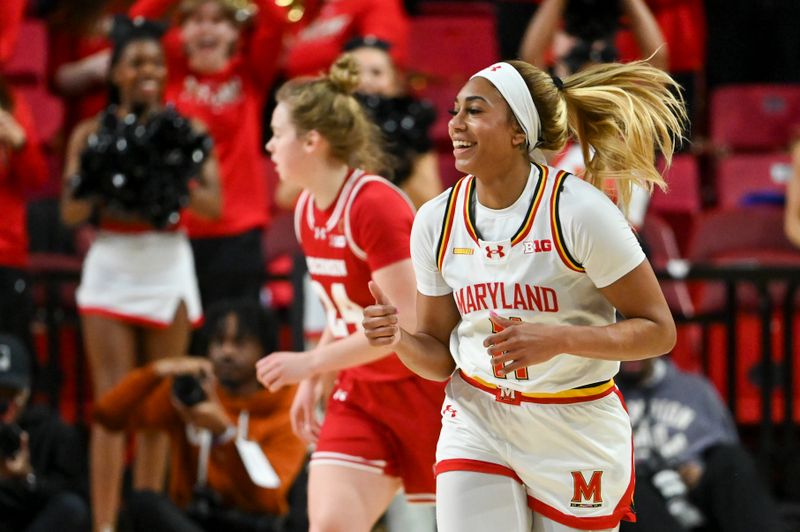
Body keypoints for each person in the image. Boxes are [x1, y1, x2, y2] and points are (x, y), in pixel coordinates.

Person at [363, 58, 685, 532]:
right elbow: (438, 357)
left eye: (474, 111)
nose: (454, 124)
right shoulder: (436, 220)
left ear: (518, 131)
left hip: (573, 422)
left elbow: (659, 332)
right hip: (477, 417)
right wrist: (399, 339)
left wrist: (559, 340)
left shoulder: (579, 211)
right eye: (455, 111)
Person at [256, 54, 444, 532]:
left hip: (422, 389)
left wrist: (311, 364)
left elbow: (407, 325)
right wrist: (318, 376)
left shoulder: (375, 205)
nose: (269, 145)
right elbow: (348, 314)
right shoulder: (306, 211)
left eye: (278, 133)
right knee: (332, 525)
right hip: (360, 392)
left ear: (312, 141)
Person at [60, 18, 221, 532]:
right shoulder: (89, 134)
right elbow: (68, 212)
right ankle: (104, 526)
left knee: (158, 405)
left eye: (155, 61)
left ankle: (151, 520)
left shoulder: (190, 131)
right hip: (112, 262)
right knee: (112, 407)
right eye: (136, 62)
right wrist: (108, 174)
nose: (147, 70)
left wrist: (165, 173)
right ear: (115, 72)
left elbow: (215, 205)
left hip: (167, 262)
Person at [93, 299, 307, 532]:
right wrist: (158, 370)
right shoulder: (193, 395)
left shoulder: (287, 404)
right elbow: (108, 416)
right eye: (218, 342)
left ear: (265, 349)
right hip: (196, 520)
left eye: (239, 343)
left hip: (252, 525)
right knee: (144, 504)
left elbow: (266, 499)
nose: (226, 352)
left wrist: (225, 433)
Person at [128, 0, 287, 310]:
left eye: (218, 20)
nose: (206, 28)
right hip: (179, 229)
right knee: (185, 338)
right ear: (181, 33)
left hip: (240, 230)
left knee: (236, 330)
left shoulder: (250, 73)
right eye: (196, 20)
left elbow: (276, 21)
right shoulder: (169, 73)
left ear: (235, 34)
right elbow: (139, 21)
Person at [616, 357, 785, 532]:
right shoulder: (599, 396)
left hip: (695, 488)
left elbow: (723, 444)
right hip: (639, 492)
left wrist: (698, 467)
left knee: (731, 460)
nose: (631, 356)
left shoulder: (695, 389)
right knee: (626, 486)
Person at [0, 334, 89, 532]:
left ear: (26, 392)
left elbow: (76, 501)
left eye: (10, 394)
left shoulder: (54, 432)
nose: (5, 405)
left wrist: (28, 478)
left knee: (71, 508)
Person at [0, 77, 48, 357]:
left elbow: (37, 178)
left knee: (10, 355)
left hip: (6, 253)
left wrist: (20, 143)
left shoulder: (11, 100)